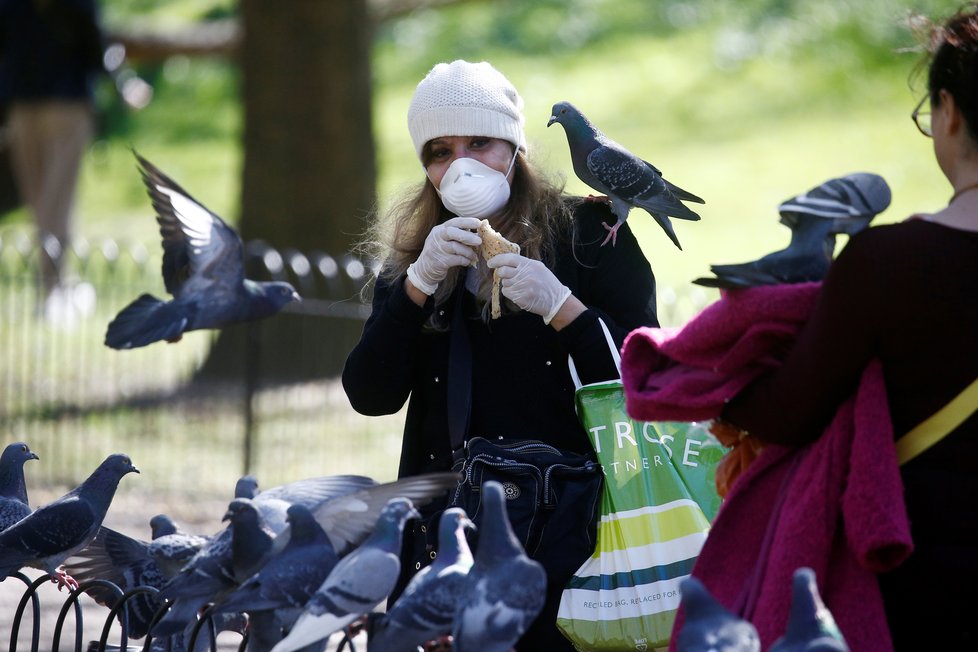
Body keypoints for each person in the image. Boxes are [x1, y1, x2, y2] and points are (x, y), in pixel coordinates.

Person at [342, 59, 659, 649]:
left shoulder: (586, 233)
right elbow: (370, 394)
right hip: (448, 532)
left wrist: (563, 307)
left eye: (480, 143)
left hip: (567, 527)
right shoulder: (420, 255)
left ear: (514, 147)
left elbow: (646, 383)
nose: (460, 164)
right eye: (440, 151)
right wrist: (416, 286)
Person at [717, 6, 978, 649]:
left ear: (948, 110)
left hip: (929, 583)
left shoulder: (886, 263)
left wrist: (724, 392)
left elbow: (788, 411)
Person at [0, 0, 104, 322]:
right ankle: (54, 291)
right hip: (66, 104)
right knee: (54, 203)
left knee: (42, 203)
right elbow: (94, 45)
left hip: (22, 104)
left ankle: (52, 288)